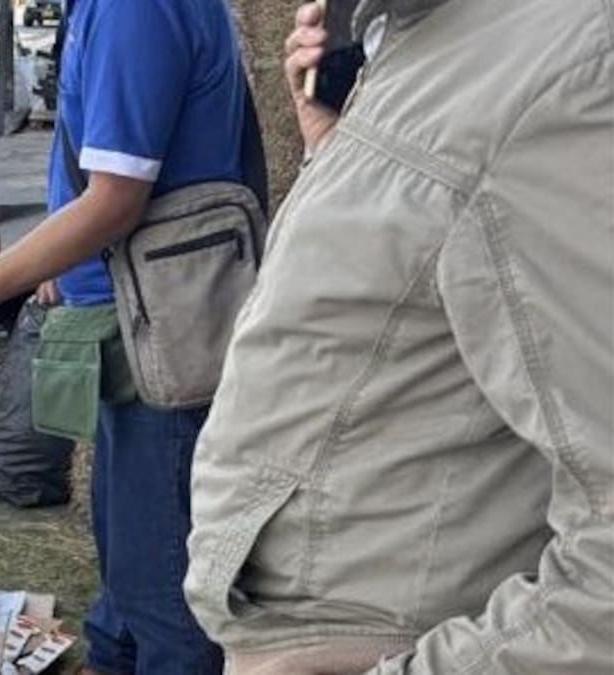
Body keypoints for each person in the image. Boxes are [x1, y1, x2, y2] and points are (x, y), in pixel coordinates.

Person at [183, 1, 614, 674]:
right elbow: (442, 269)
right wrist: (335, 149)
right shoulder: (435, 35)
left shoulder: (568, 67)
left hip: (390, 646)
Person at [0, 0, 247, 671]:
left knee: (163, 607)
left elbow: (115, 198)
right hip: (133, 335)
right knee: (124, 598)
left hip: (156, 350)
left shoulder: (135, 8)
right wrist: (56, 264)